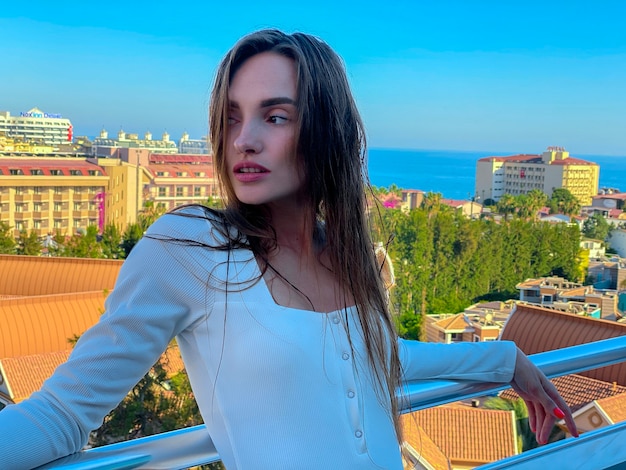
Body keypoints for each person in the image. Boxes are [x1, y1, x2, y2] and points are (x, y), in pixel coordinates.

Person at [0, 29, 577, 469]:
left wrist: (507, 362)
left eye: (274, 116)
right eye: (230, 119)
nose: (243, 140)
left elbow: (378, 357)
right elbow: (63, 413)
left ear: (327, 129)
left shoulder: (349, 254)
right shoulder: (187, 247)